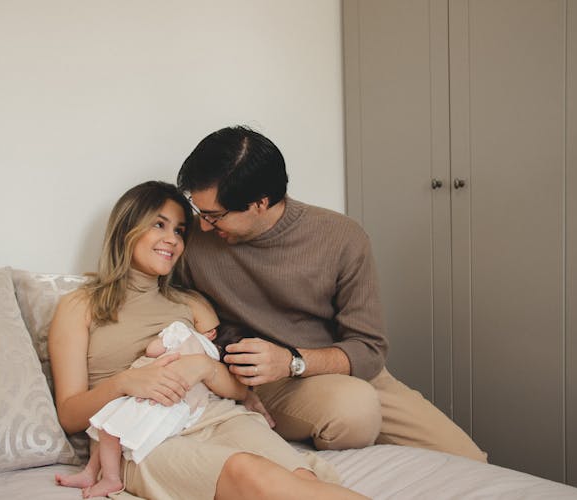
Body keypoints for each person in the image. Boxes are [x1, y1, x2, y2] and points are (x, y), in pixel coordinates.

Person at [176, 126, 487, 462]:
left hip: (335, 368)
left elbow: (369, 349)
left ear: (260, 203)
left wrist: (292, 361)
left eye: (214, 215)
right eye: (199, 210)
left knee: (469, 458)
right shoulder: (193, 242)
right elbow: (168, 310)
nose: (204, 226)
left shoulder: (341, 237)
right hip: (263, 380)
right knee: (353, 411)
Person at [48, 180, 368, 499]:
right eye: (159, 225)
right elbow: (69, 414)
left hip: (215, 415)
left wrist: (203, 367)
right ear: (126, 227)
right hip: (139, 437)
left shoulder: (192, 304)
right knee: (248, 473)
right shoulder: (80, 306)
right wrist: (125, 382)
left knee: (302, 478)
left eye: (179, 231)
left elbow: (238, 390)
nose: (171, 240)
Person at [55, 319, 220, 497]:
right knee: (109, 428)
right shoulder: (212, 358)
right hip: (178, 405)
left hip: (152, 393)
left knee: (109, 429)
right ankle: (89, 474)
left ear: (211, 333)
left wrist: (162, 338)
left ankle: (111, 479)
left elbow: (152, 350)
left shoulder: (183, 332)